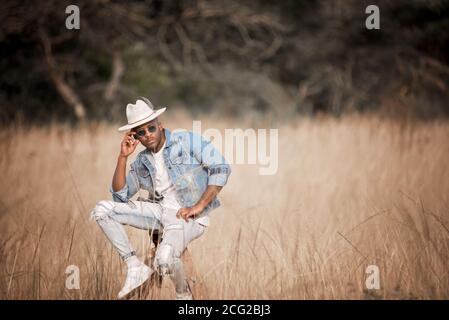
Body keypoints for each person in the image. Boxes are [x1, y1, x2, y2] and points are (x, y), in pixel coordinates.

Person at [90, 97, 231, 299]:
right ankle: (134, 266)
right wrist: (123, 157)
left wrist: (199, 206)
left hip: (187, 216)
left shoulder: (186, 140)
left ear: (160, 124)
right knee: (103, 210)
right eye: (141, 132)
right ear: (135, 136)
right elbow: (120, 197)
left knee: (164, 258)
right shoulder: (142, 160)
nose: (147, 135)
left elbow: (221, 168)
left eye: (151, 128)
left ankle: (184, 297)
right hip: (160, 214)